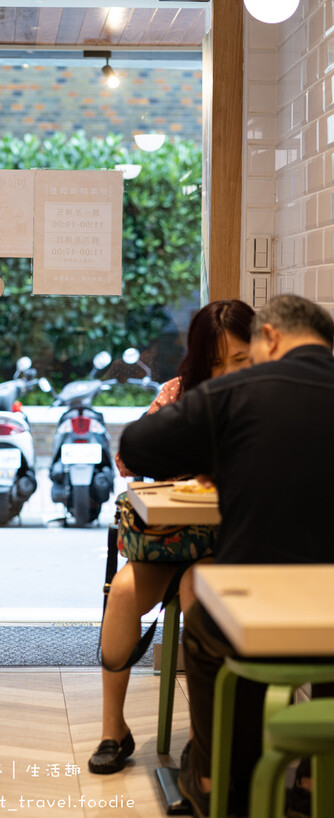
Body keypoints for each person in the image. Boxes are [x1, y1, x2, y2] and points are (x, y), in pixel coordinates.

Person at [116, 294, 334, 817]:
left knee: (211, 628)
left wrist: (220, 451)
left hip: (259, 598)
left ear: (272, 339)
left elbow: (138, 446)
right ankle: (312, 781)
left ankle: (215, 778)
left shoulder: (237, 392)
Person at [88, 299, 255, 775]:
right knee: (121, 594)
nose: (226, 373)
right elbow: (127, 459)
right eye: (215, 362)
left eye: (238, 360)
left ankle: (207, 740)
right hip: (172, 538)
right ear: (198, 361)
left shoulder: (264, 399)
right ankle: (112, 729)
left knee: (195, 590)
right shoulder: (180, 393)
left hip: (227, 548)